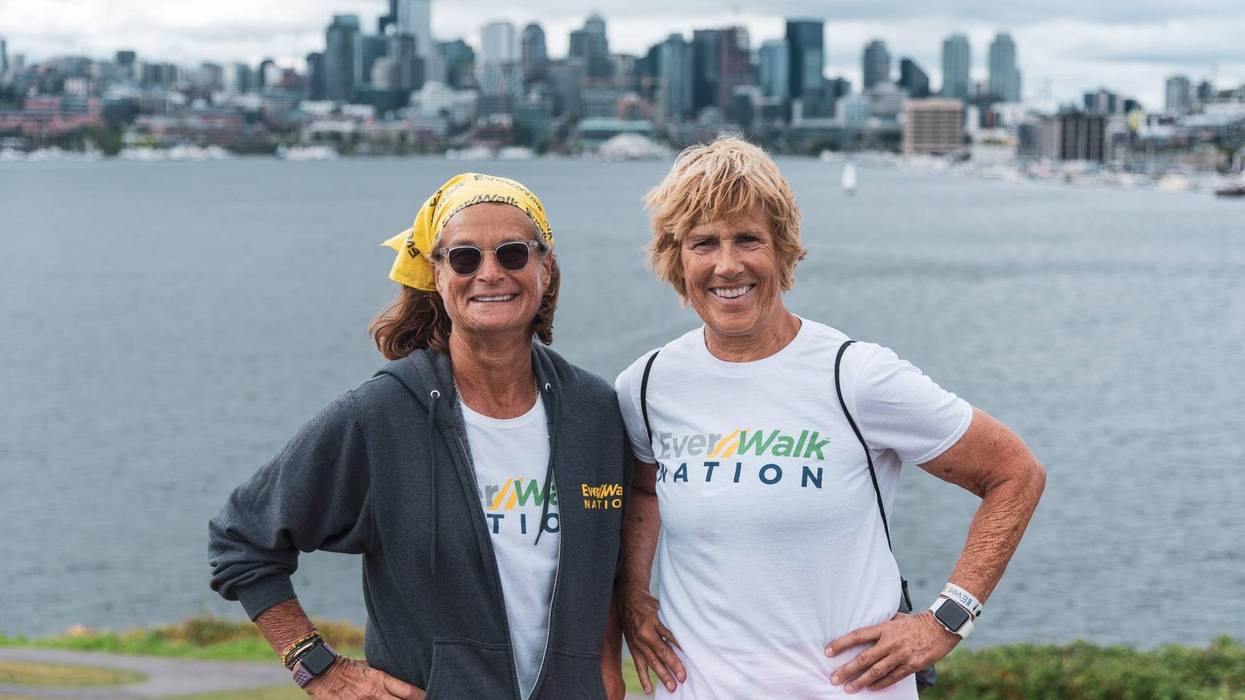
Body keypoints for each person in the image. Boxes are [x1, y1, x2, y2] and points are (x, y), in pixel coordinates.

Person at [614, 139, 1046, 699]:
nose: (727, 265)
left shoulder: (856, 377)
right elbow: (642, 491)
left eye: (748, 239)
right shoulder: (647, 385)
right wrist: (632, 595)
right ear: (678, 260)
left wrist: (946, 620)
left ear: (783, 251)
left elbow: (1015, 473)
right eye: (704, 244)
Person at [209, 173, 629, 699]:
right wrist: (317, 667)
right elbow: (242, 539)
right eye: (465, 258)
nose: (491, 274)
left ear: (546, 267)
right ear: (437, 274)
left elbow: (605, 563)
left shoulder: (595, 413)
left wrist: (606, 669)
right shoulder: (382, 415)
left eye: (514, 254)